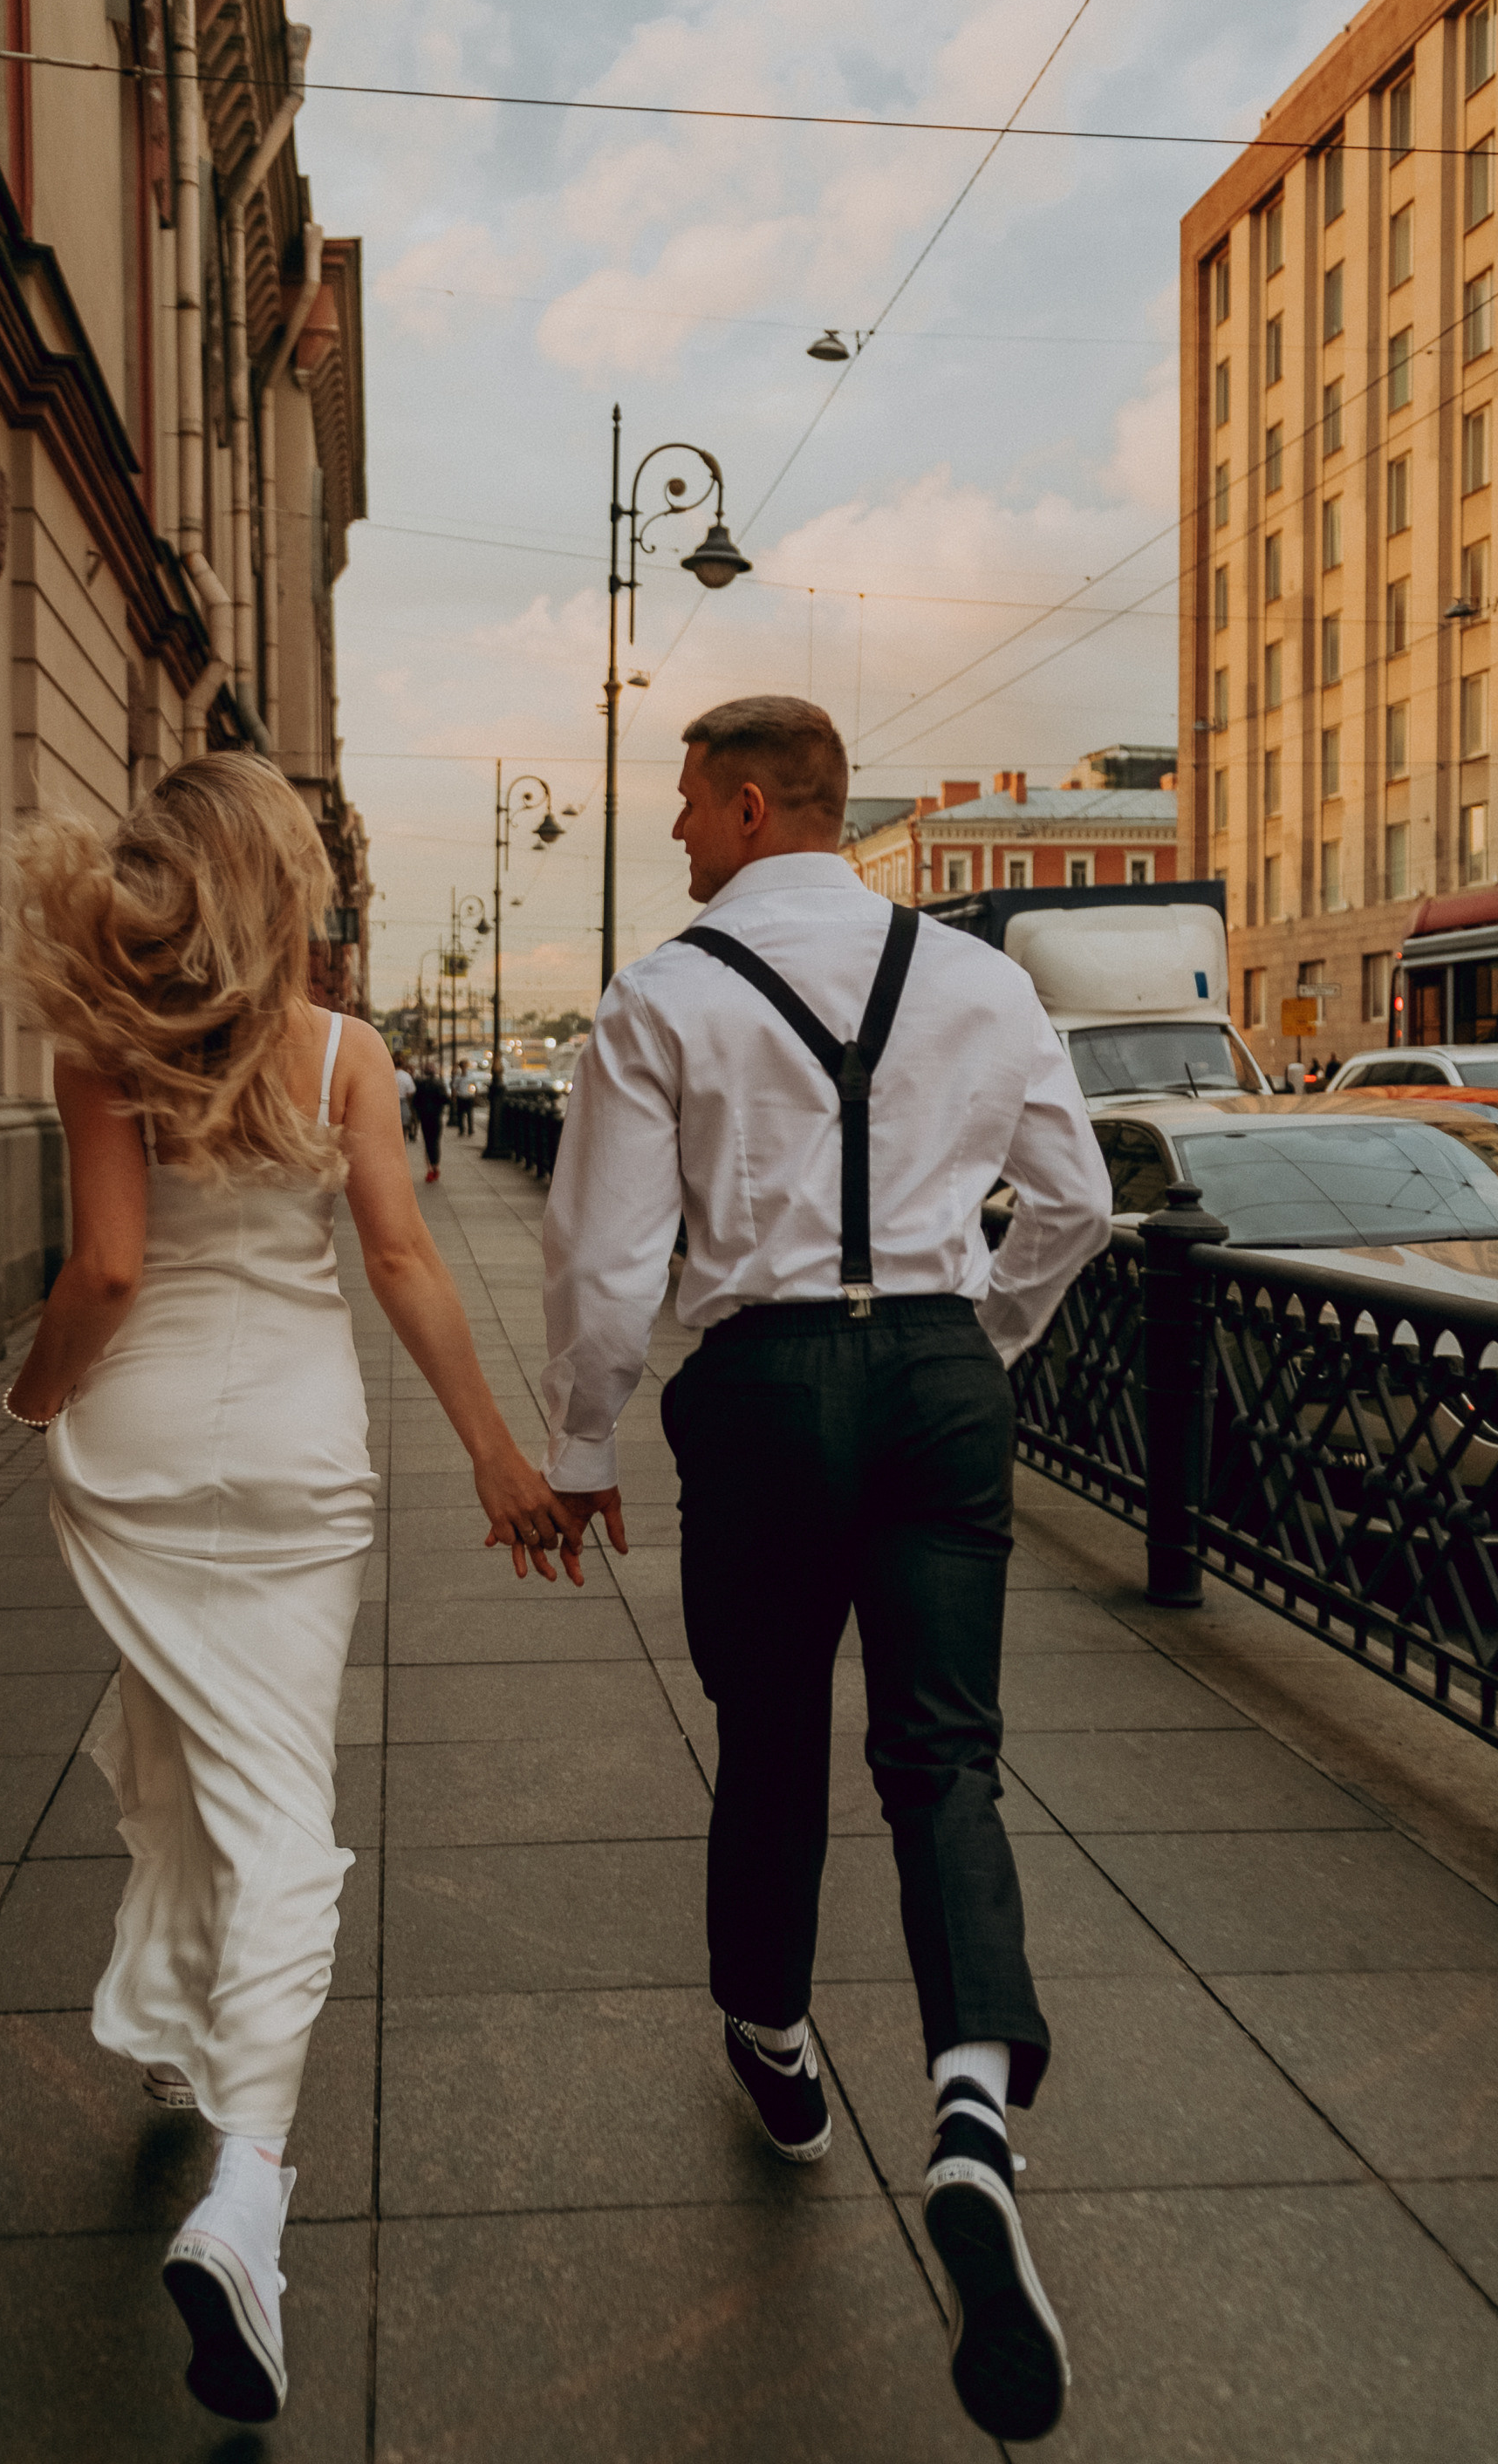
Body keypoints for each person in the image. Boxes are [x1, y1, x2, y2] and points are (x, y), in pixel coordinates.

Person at [537, 697, 1110, 2447]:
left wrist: (577, 1450)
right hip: (937, 1373)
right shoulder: (983, 982)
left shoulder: (665, 994)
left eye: (691, 809)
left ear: (749, 798)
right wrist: (969, 1348)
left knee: (772, 1736)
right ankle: (962, 2104)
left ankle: (776, 2045)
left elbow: (607, 1261)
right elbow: (1076, 1202)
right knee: (945, 1751)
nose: (679, 841)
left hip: (763, 1391)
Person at [0, 755, 579, 2425]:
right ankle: (235, 2144)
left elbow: (105, 1271)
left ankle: (236, 2165)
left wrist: (35, 1395)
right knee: (268, 1786)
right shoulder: (346, 1055)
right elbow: (398, 1258)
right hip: (300, 1455)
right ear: (285, 882)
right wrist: (490, 1451)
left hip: (140, 1440)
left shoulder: (101, 1047)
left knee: (191, 1746)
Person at [413, 1060, 449, 1181]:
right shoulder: (439, 1083)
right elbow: (445, 1099)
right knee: (436, 1142)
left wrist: (419, 1113)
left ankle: (430, 1169)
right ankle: (436, 1166)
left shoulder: (420, 1084)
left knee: (427, 1142)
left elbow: (415, 1101)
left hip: (424, 1117)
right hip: (436, 1116)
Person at [393, 1054, 416, 1141]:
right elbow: (411, 1092)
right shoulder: (406, 1076)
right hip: (403, 1102)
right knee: (404, 1124)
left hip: (391, 1103)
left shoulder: (388, 1074)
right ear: (402, 1064)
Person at [453, 1058, 478, 1135]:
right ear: (461, 1067)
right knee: (460, 1115)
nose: (464, 1067)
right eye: (462, 1066)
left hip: (469, 1097)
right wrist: (454, 1097)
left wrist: (476, 1096)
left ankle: (470, 1129)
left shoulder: (471, 1075)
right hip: (461, 1097)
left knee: (470, 1114)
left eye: (465, 1066)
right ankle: (461, 1130)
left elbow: (475, 1086)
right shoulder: (458, 1076)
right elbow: (454, 1087)